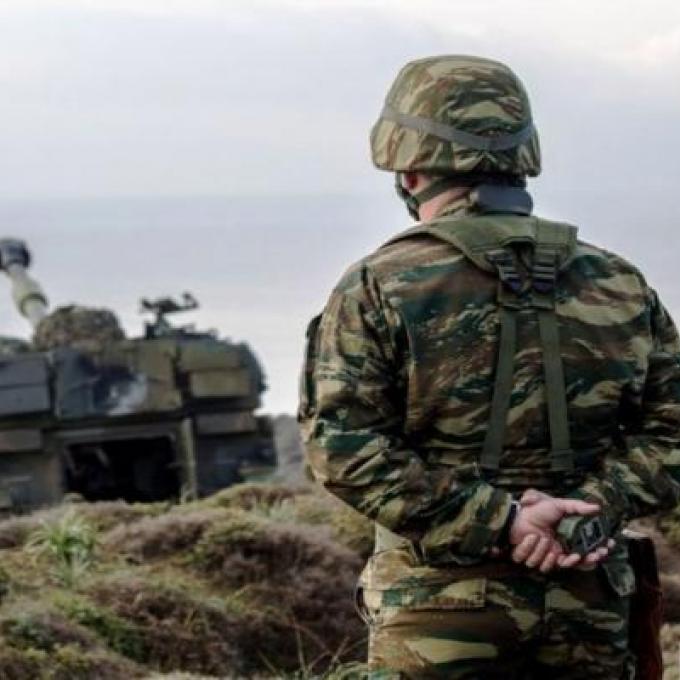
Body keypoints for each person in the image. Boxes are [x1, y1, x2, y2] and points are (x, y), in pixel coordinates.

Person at [299, 55, 680, 678]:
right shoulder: (619, 283)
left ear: (408, 169)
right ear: (521, 158)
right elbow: (671, 432)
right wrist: (590, 508)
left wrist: (503, 523)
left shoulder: (378, 285)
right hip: (588, 607)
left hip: (437, 617)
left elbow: (343, 449)